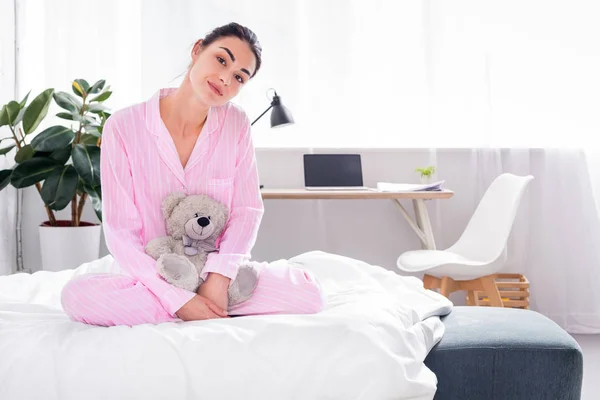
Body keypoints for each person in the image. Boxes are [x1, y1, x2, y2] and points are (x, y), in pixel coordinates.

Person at [60, 22, 325, 327]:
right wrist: (178, 299)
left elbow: (247, 210)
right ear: (198, 50)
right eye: (221, 60)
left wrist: (219, 278)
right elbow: (121, 233)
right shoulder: (123, 127)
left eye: (239, 77)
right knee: (77, 296)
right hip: (153, 277)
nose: (226, 78)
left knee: (309, 293)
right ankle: (201, 309)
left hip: (216, 272)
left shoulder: (236, 124)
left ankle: (210, 303)